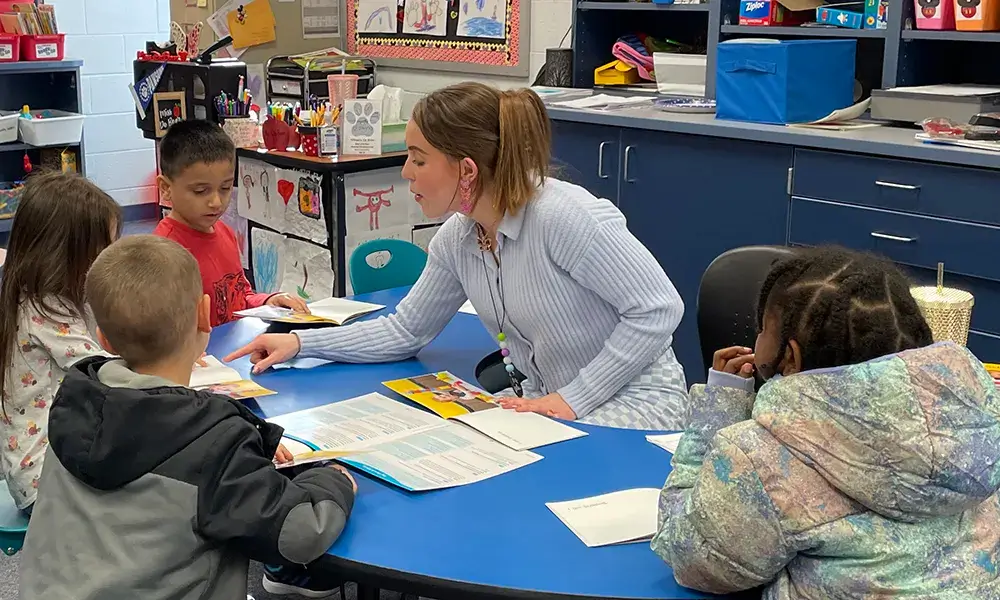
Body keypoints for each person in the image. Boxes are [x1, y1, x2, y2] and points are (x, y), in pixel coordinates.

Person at [227, 82, 688, 430]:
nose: (406, 171)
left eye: (418, 158)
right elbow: (406, 329)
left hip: (638, 405)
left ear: (466, 170)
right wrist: (304, 343)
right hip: (549, 402)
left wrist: (575, 398)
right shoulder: (458, 237)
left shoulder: (563, 216)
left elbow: (657, 308)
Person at [19, 235, 356, 600]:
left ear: (104, 339)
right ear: (204, 314)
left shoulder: (73, 402)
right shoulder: (210, 441)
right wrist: (331, 481)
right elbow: (299, 533)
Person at [651, 246, 1000, 597]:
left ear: (790, 356)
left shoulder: (763, 459)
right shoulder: (979, 421)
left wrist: (718, 411)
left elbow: (692, 557)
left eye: (761, 330)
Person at [0, 171, 120, 514]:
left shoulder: (44, 297)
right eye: (103, 250)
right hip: (45, 479)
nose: (110, 260)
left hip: (50, 464)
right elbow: (108, 374)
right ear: (65, 253)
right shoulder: (45, 309)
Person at [154, 119, 308, 326]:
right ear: (165, 188)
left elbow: (239, 297)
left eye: (225, 188)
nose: (216, 202)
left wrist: (268, 301)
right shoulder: (161, 254)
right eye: (200, 191)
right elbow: (161, 332)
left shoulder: (225, 232)